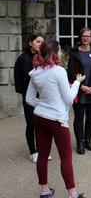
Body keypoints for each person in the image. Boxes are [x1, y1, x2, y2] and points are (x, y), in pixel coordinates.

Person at [26, 40, 88, 198]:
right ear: (54, 53)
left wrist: (43, 106)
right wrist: (76, 82)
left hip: (40, 117)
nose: (62, 54)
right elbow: (68, 99)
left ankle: (45, 191)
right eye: (60, 51)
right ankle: (73, 195)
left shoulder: (35, 71)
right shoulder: (58, 71)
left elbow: (29, 99)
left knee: (43, 155)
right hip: (56, 119)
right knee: (66, 157)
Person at [14, 33, 52, 163]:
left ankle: (42, 151)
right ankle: (33, 152)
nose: (40, 44)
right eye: (37, 41)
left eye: (42, 42)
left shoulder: (43, 56)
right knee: (31, 123)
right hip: (29, 95)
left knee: (41, 124)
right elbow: (31, 75)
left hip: (41, 94)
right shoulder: (23, 58)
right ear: (30, 43)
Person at [67, 27, 91, 155]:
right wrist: (81, 86)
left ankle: (88, 140)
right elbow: (71, 73)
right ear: (80, 37)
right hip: (79, 90)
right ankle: (80, 142)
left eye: (88, 36)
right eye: (83, 36)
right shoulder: (74, 53)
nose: (85, 38)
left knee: (90, 118)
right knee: (78, 118)